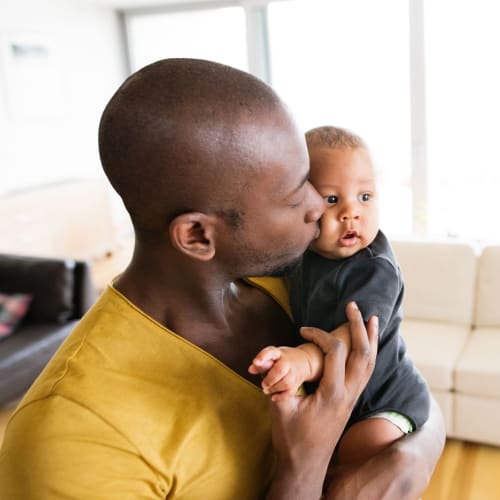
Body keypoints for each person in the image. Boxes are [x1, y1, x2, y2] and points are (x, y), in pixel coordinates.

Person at [0, 59, 444, 500]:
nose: (319, 208)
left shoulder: (288, 278)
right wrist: (302, 468)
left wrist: (412, 458)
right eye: (295, 195)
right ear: (197, 235)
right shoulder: (69, 442)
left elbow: (402, 381)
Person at [249, 125, 430, 473]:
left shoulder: (373, 269)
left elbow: (355, 336)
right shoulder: (306, 250)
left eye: (365, 197)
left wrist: (303, 360)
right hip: (337, 396)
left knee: (352, 454)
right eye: (332, 200)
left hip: (384, 400)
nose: (352, 212)